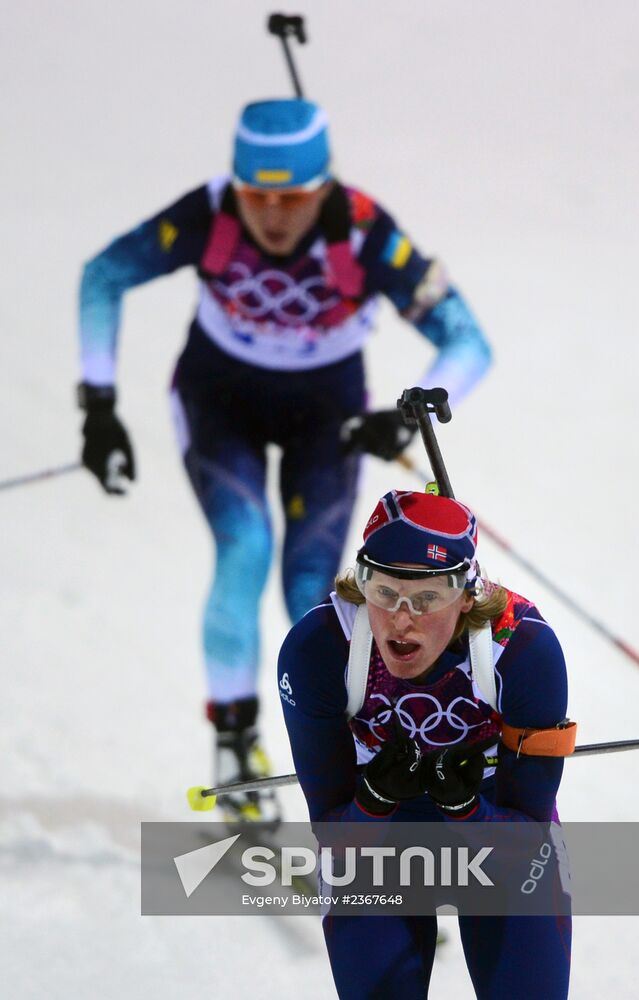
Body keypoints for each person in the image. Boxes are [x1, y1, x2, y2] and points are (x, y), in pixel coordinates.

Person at [76, 97, 492, 821]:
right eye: (255, 195)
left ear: (324, 187)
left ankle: (360, 760)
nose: (272, 215)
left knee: (313, 589)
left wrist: (404, 417)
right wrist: (99, 405)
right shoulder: (209, 214)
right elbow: (104, 275)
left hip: (323, 419)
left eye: (293, 197)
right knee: (244, 549)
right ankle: (235, 748)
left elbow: (469, 342)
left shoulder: (364, 233)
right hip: (218, 403)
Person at [278, 489, 572, 999]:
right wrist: (373, 799)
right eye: (384, 592)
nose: (401, 619)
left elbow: (528, 840)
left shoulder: (521, 649)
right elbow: (332, 830)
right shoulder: (320, 649)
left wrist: (466, 809)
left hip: (497, 824)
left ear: (468, 595)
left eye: (428, 598)